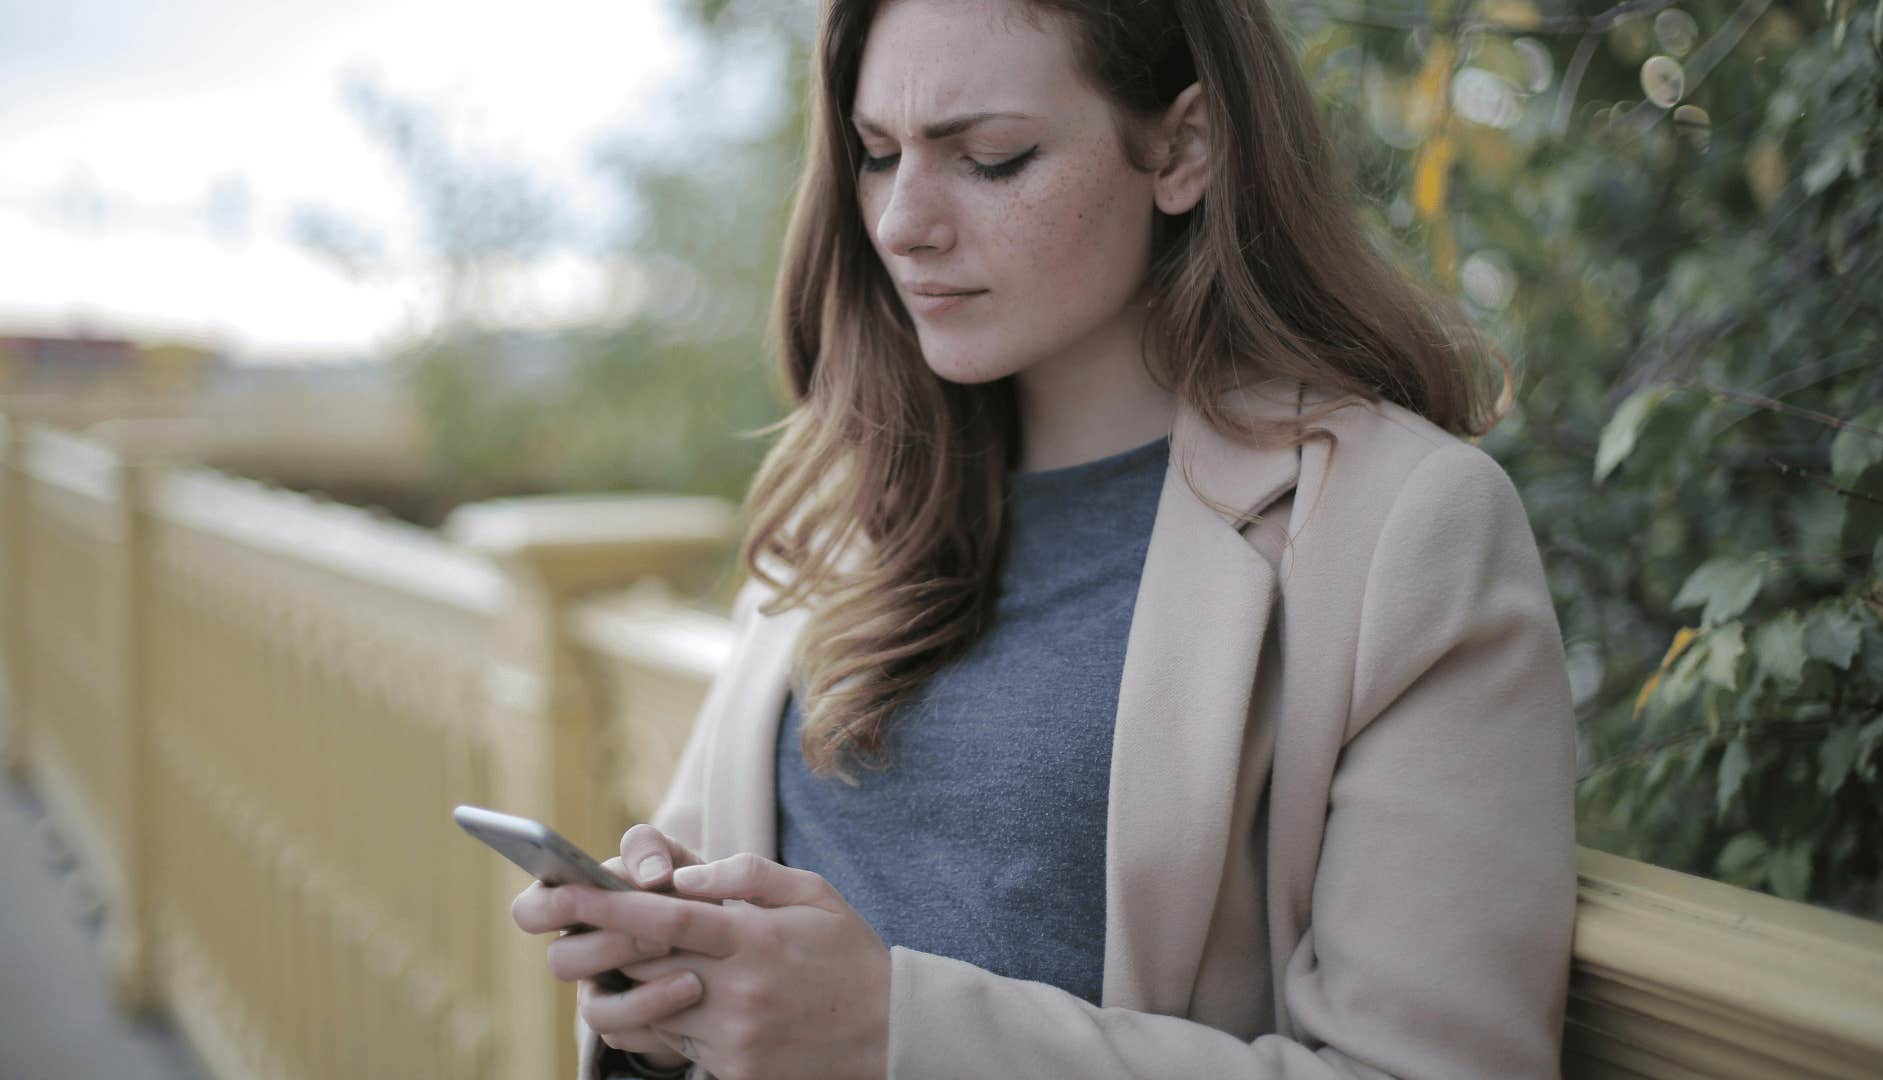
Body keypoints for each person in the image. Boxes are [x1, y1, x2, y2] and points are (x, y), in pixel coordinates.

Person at [511, 0, 1578, 1074]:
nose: (899, 223)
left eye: (990, 158)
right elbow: (720, 944)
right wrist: (660, 973)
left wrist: (891, 1033)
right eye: (877, 155)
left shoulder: (1403, 526)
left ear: (1182, 147)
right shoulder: (852, 499)